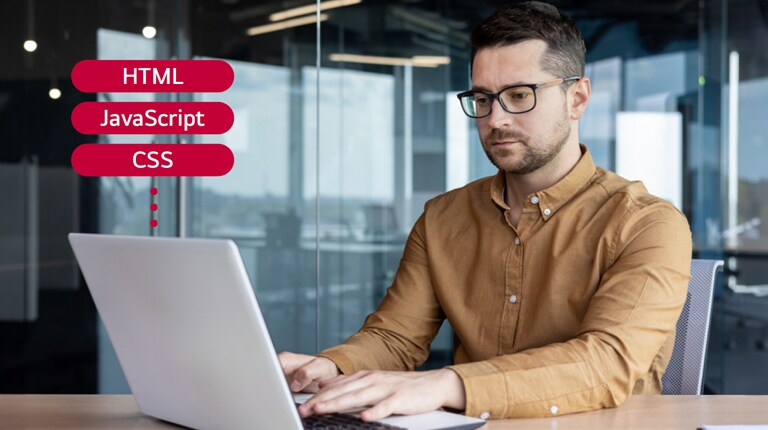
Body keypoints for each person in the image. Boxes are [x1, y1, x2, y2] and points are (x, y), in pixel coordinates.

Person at [279, 0, 692, 421]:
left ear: (577, 98)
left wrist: (447, 383)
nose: (495, 118)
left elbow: (605, 363)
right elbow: (395, 337)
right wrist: (330, 368)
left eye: (518, 95)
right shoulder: (443, 217)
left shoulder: (648, 224)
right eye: (482, 98)